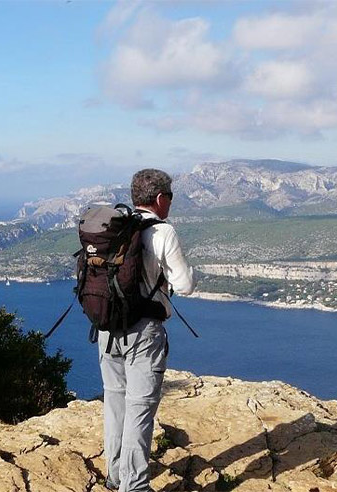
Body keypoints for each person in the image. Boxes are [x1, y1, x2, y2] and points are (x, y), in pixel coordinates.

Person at [99, 168, 196, 491]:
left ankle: (115, 475)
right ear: (159, 198)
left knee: (115, 404)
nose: (170, 203)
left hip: (107, 327)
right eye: (170, 197)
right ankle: (135, 485)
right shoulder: (163, 232)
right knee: (140, 409)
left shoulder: (115, 228)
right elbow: (185, 284)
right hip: (144, 333)